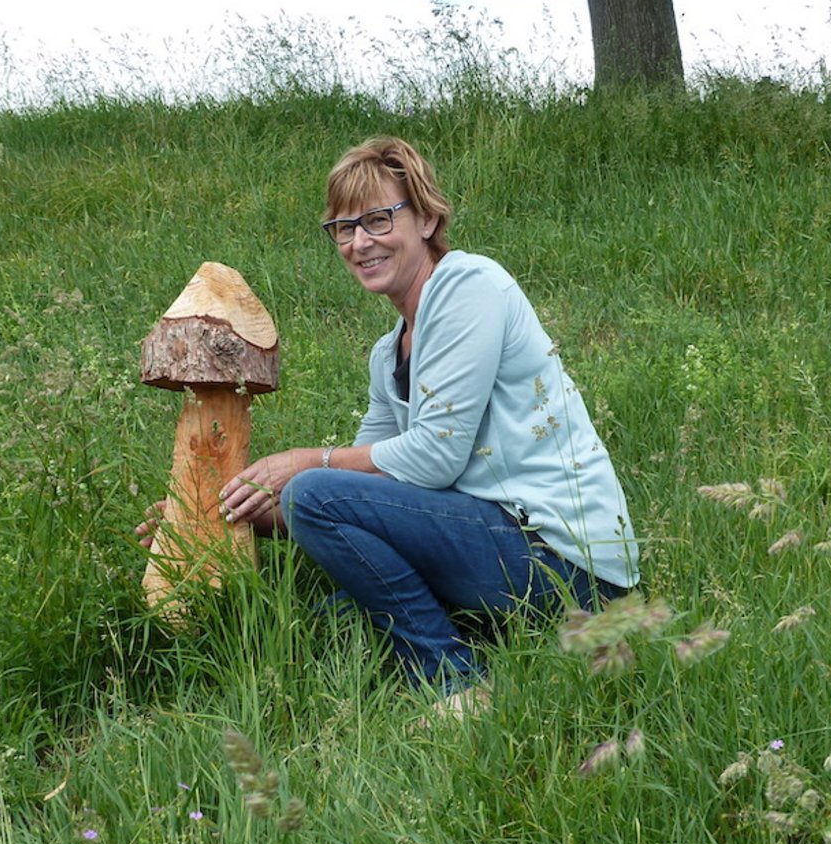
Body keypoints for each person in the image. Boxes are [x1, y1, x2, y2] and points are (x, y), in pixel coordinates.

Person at [142, 136, 639, 709]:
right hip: (496, 543)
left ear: (426, 218)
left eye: (378, 219)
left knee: (317, 500)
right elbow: (357, 497)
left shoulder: (469, 287)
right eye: (342, 229)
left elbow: (428, 460)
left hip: (566, 562)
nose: (359, 242)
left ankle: (454, 680)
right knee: (331, 612)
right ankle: (489, 635)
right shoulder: (388, 355)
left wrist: (306, 461)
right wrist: (215, 513)